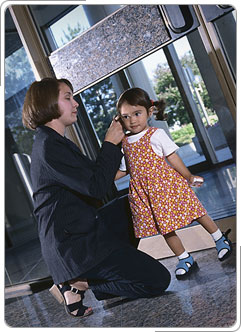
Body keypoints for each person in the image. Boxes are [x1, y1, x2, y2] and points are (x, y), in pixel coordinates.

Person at [22, 78, 171, 318]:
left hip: (83, 229)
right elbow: (96, 187)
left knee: (130, 204)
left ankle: (110, 268)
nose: (76, 103)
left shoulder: (54, 141)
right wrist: (110, 143)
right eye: (68, 97)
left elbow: (96, 177)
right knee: (157, 279)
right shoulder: (50, 146)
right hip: (76, 247)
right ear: (48, 103)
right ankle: (81, 283)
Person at [115, 87, 232, 279]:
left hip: (167, 185)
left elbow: (172, 157)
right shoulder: (125, 143)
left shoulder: (156, 134)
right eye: (126, 116)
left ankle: (219, 238)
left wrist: (188, 176)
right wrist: (107, 177)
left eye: (137, 114)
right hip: (145, 194)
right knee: (165, 228)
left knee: (195, 211)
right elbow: (125, 168)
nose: (132, 120)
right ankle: (184, 258)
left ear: (149, 112)